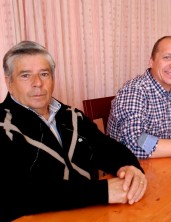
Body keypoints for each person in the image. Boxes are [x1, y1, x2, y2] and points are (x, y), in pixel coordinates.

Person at [0, 41, 147, 221]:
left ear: (53, 78)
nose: (37, 83)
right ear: (9, 82)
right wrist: (103, 192)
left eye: (44, 74)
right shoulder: (2, 124)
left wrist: (129, 168)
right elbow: (16, 194)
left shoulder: (71, 115)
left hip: (94, 214)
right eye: (25, 75)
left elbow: (106, 147)